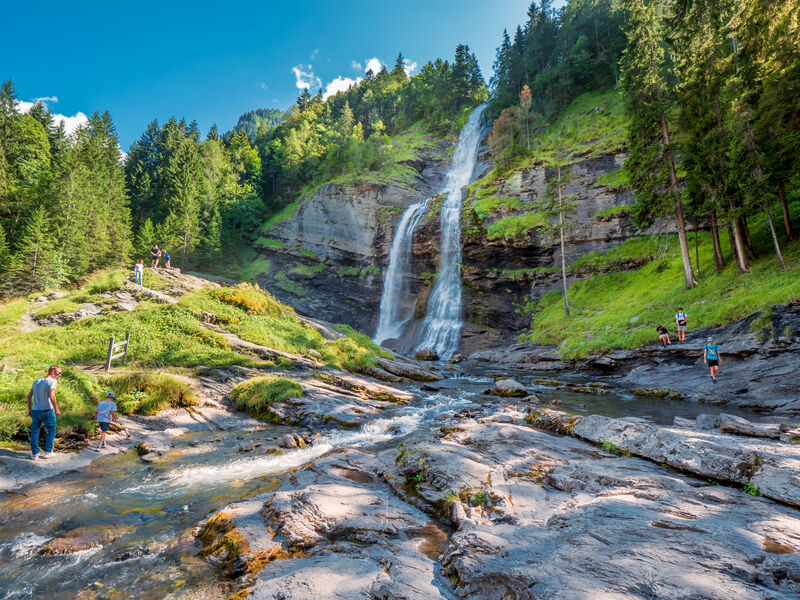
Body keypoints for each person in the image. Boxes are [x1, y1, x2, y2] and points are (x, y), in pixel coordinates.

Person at [27, 366, 62, 459]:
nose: (59, 375)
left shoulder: (36, 381)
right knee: (51, 429)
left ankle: (35, 454)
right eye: (59, 373)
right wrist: (57, 409)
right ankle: (48, 452)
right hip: (46, 410)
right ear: (53, 371)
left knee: (35, 431)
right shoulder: (52, 381)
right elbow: (52, 396)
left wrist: (29, 409)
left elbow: (29, 396)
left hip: (35, 410)